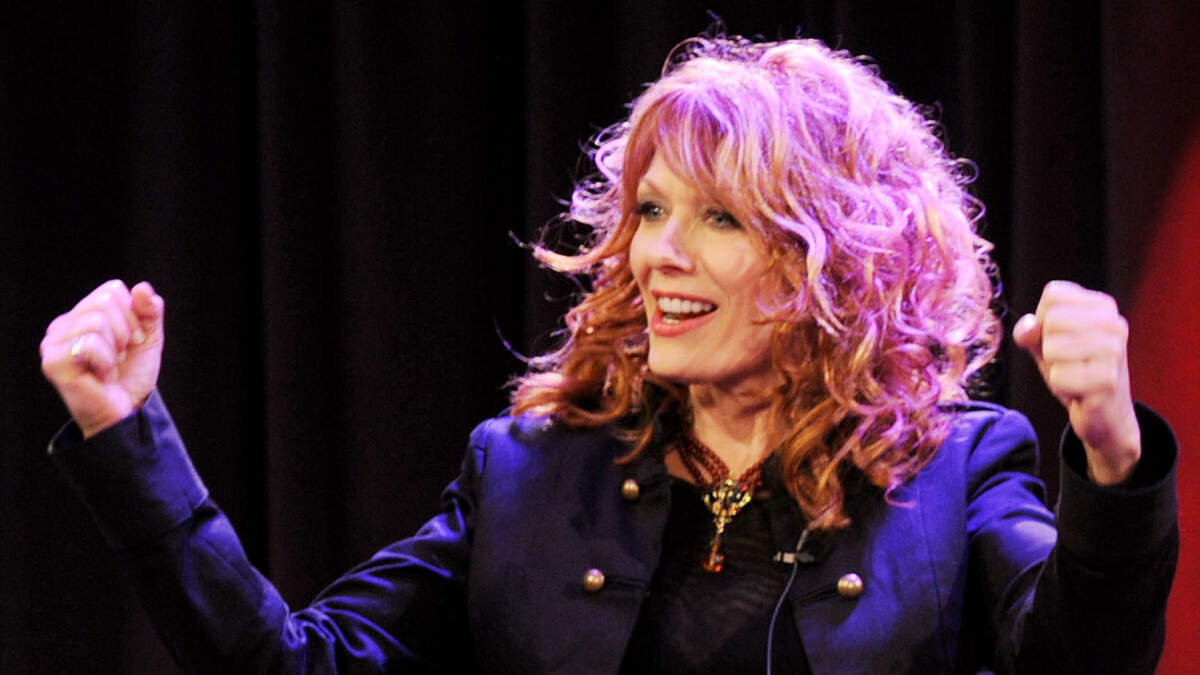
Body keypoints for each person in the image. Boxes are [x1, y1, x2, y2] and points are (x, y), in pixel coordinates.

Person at [40, 36, 1177, 674]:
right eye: (649, 210)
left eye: (719, 218)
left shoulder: (956, 468)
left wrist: (1113, 461)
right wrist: (126, 434)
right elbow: (297, 667)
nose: (657, 253)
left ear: (832, 261)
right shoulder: (528, 473)